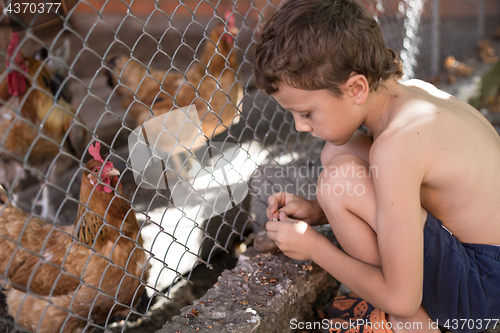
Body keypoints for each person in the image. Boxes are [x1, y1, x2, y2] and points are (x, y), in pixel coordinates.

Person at [253, 0, 500, 332]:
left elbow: (403, 299)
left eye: (307, 113)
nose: (300, 126)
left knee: (339, 181)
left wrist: (315, 247)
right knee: (336, 156)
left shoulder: (397, 145)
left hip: (482, 293)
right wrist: (317, 212)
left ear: (356, 88)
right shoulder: (412, 95)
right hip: (485, 265)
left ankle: (417, 326)